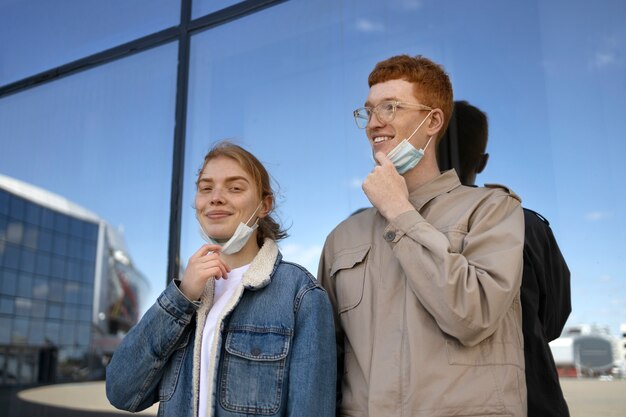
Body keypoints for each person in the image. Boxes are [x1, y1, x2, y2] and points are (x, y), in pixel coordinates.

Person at [318, 55, 527, 416]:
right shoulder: (343, 237)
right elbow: (325, 358)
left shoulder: (492, 210)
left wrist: (399, 212)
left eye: (390, 107)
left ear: (432, 121)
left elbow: (472, 314)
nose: (374, 123)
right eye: (368, 111)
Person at [106, 141, 336, 417]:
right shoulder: (187, 293)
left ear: (265, 205)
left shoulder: (300, 295)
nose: (215, 197)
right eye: (206, 188)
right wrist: (181, 298)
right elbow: (121, 391)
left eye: (235, 187)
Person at [440, 100, 571, 417]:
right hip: (533, 394)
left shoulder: (400, 228)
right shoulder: (527, 225)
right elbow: (554, 318)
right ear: (482, 162)